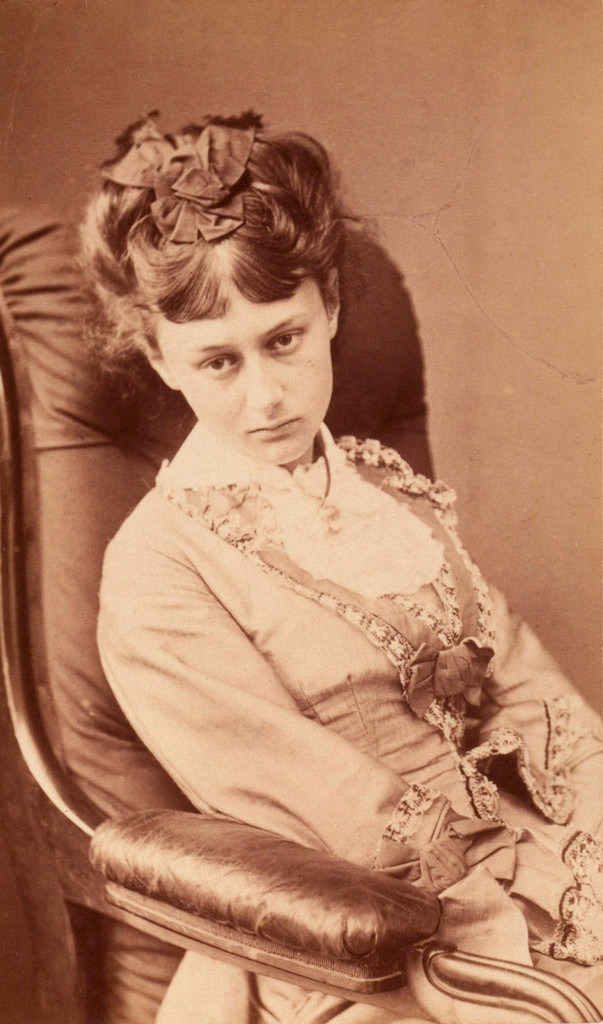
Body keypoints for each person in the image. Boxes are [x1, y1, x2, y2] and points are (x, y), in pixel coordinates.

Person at [81, 112, 603, 1024]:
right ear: (160, 360)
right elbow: (299, 795)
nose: (266, 396)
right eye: (217, 361)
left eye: (282, 338)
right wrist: (501, 880)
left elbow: (525, 686)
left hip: (537, 852)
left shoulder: (382, 492)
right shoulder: (159, 567)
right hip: (367, 924)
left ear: (327, 305)